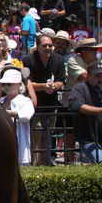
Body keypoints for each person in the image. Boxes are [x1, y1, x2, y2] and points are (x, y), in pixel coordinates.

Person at [26, 34, 65, 165]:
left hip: (51, 103)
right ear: (37, 47)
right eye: (44, 46)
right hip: (34, 103)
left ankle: (46, 162)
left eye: (50, 45)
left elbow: (61, 81)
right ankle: (35, 163)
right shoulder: (28, 60)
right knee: (36, 133)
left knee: (49, 133)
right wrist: (43, 86)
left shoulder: (58, 59)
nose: (48, 48)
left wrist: (54, 86)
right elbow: (27, 83)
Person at [0, 67, 33, 165]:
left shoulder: (25, 101)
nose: (6, 87)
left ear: (19, 84)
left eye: (9, 84)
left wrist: (5, 112)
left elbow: (25, 116)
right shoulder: (0, 101)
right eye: (3, 84)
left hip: (19, 142)